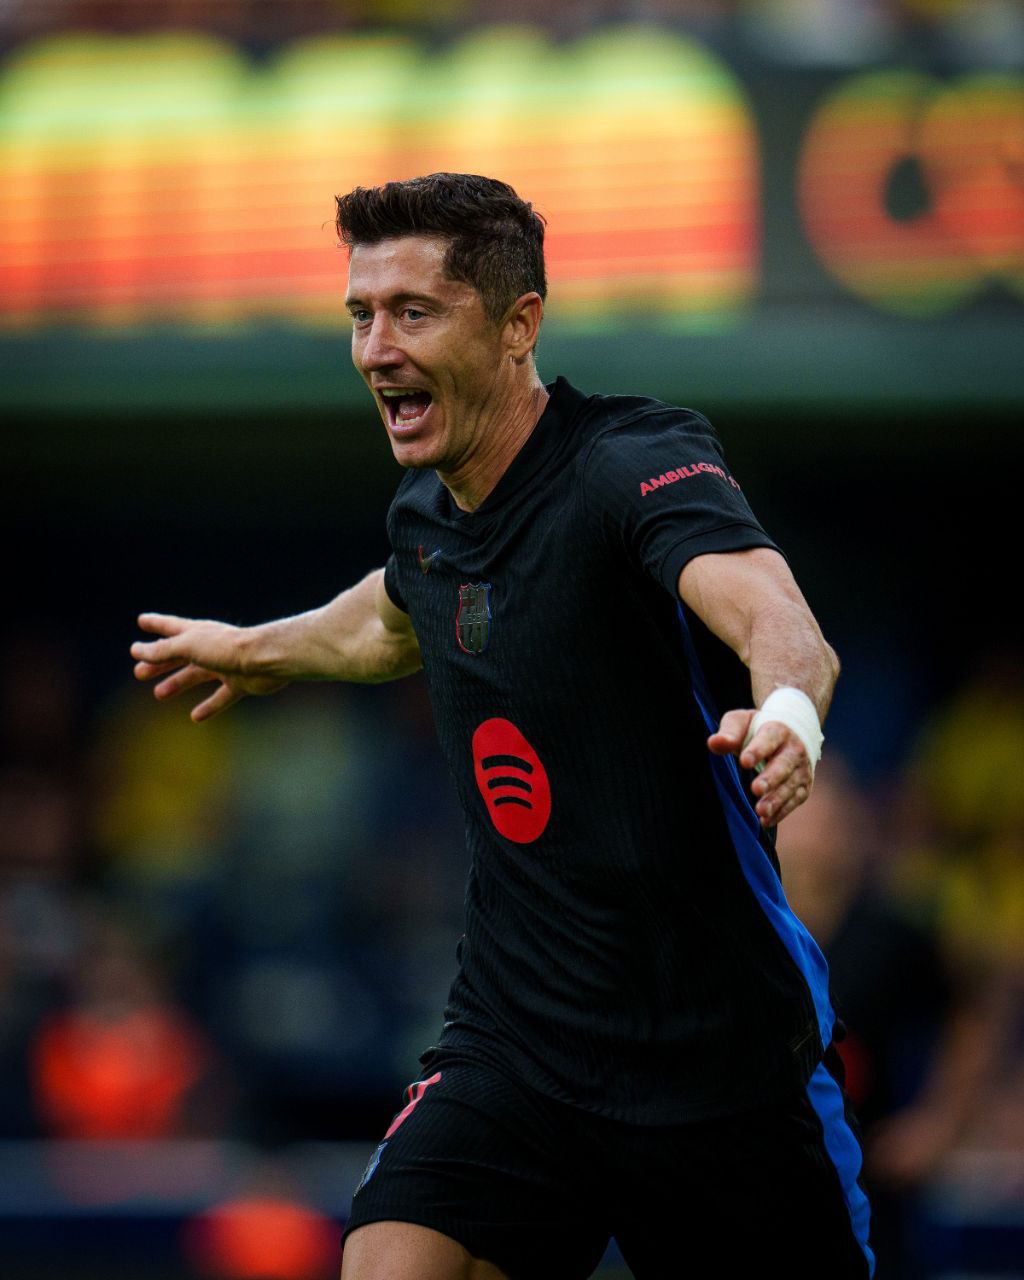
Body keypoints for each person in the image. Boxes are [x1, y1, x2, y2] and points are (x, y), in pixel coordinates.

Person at [131, 173, 872, 1280]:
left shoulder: (629, 462)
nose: (376, 349)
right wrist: (256, 648)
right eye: (360, 315)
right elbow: (387, 617)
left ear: (519, 324)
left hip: (719, 1064)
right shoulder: (428, 514)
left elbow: (781, 621)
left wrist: (787, 720)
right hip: (518, 1047)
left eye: (413, 313)